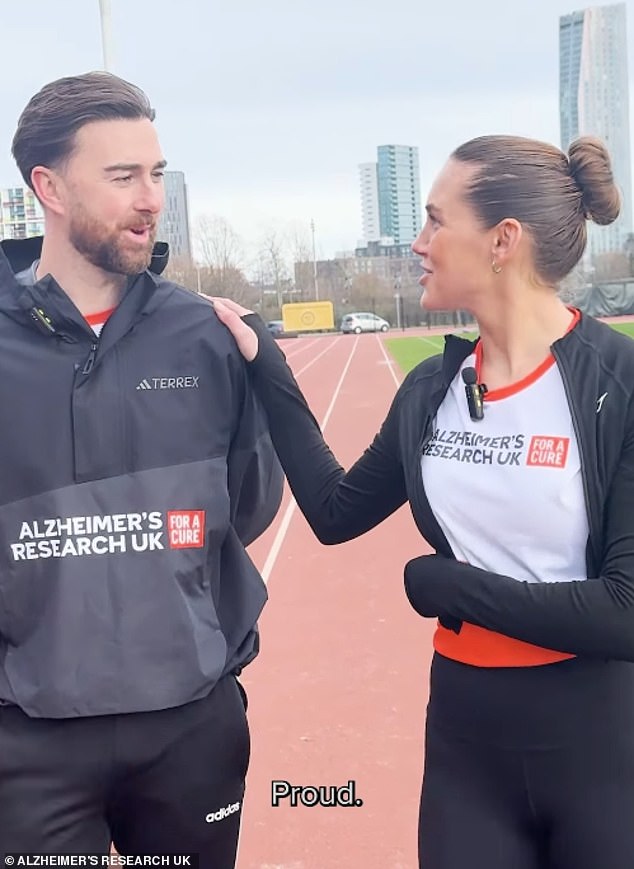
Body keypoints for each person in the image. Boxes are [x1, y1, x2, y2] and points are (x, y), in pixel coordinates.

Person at [212, 134, 634, 869]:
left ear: (503, 241)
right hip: (467, 748)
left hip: (599, 742)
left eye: (437, 220)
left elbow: (625, 611)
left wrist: (448, 586)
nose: (418, 241)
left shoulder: (616, 382)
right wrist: (266, 362)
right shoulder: (432, 392)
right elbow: (336, 511)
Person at [0, 72, 283, 863]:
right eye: (122, 177)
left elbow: (251, 503)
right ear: (47, 187)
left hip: (190, 728)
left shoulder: (208, 336)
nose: (150, 198)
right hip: (25, 739)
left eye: (155, 174)